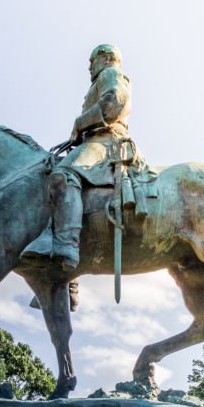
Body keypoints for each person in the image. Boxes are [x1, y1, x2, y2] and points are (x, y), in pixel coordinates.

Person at [21, 44, 134, 270]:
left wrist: (79, 124)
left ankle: (67, 245)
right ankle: (69, 281)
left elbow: (115, 102)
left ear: (107, 57)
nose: (89, 66)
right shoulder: (101, 77)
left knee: (62, 175)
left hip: (106, 141)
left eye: (92, 61)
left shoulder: (110, 73)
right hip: (93, 140)